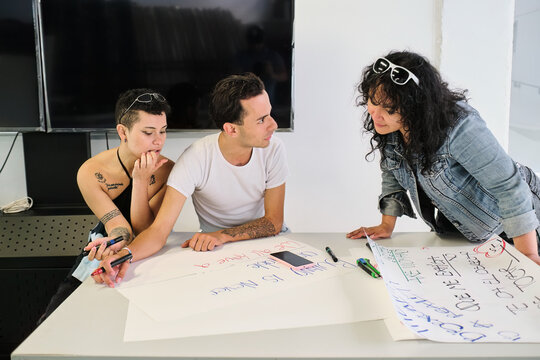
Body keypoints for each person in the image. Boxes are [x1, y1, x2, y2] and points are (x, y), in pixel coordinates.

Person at [93, 72, 288, 287]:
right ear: (231, 128)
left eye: (269, 114)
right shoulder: (196, 158)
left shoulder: (273, 148)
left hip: (264, 243)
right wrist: (123, 256)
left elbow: (273, 222)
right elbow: (158, 231)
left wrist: (222, 235)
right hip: (216, 251)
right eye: (262, 119)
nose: (274, 125)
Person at [347, 51, 540, 265]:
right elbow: (392, 169)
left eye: (389, 109)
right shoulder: (391, 126)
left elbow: (510, 188)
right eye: (372, 102)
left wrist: (529, 256)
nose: (375, 114)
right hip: (468, 231)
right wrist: (386, 225)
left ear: (416, 106)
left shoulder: (460, 127)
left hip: (523, 229)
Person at [38, 89, 174, 322]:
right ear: (123, 132)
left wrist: (141, 182)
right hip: (107, 244)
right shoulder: (92, 171)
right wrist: (113, 243)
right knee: (55, 319)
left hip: (148, 250)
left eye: (163, 131)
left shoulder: (167, 170)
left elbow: (145, 229)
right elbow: (120, 228)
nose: (158, 140)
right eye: (148, 132)